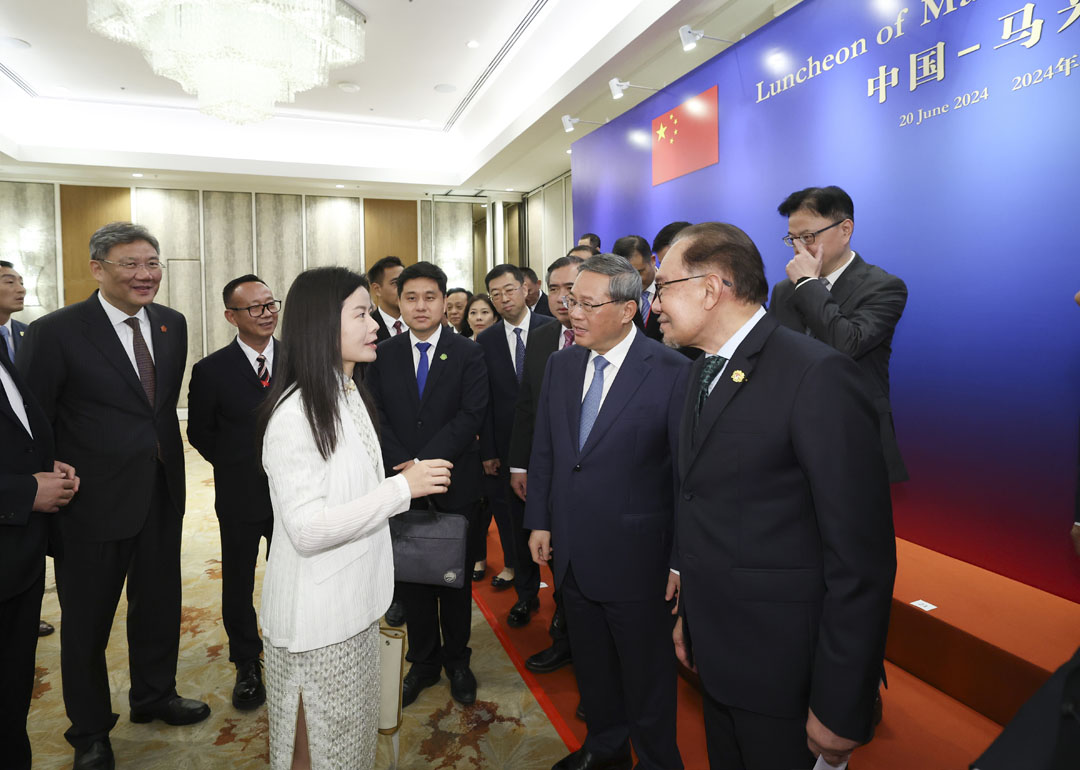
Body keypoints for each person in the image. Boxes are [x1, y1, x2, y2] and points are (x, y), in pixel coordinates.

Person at [653, 222, 896, 770]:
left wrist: (842, 702)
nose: (655, 303)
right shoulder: (696, 375)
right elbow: (701, 507)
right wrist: (690, 617)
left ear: (711, 288)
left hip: (786, 673)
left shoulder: (817, 376)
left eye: (662, 287)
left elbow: (861, 560)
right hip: (717, 657)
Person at [18, 221, 205, 770]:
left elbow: (159, 408)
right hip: (90, 501)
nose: (146, 275)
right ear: (98, 268)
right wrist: (43, 471)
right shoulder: (55, 331)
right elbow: (35, 416)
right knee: (87, 622)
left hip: (159, 491)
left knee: (159, 605)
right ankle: (90, 731)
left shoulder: (172, 324)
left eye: (152, 262)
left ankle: (154, 695)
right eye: (130, 264)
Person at [257, 267, 452, 770]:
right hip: (317, 619)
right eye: (361, 313)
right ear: (323, 324)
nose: (375, 325)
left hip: (356, 606)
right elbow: (307, 529)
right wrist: (399, 490)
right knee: (315, 746)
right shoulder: (296, 415)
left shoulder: (348, 393)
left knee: (349, 744)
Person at [526, 254, 689, 770]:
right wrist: (540, 519)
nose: (572, 312)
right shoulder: (562, 363)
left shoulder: (672, 371)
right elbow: (547, 450)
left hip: (640, 561)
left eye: (587, 304)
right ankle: (604, 748)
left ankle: (659, 760)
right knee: (593, 668)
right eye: (571, 300)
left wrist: (681, 560)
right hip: (572, 551)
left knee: (647, 676)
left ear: (627, 309)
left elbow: (688, 479)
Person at [365, 262, 488, 708]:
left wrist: (427, 463)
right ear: (399, 300)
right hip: (399, 481)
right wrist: (406, 464)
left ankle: (457, 659)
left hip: (453, 479)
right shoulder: (383, 352)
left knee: (454, 578)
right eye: (411, 297)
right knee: (412, 575)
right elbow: (373, 413)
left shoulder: (469, 353)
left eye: (430, 297)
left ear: (444, 301)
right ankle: (423, 661)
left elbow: (471, 415)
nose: (420, 306)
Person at [770, 185, 909, 483]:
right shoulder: (783, 291)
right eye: (792, 239)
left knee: (856, 528)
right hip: (791, 437)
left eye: (808, 237)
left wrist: (808, 284)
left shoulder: (883, 286)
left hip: (852, 435)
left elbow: (847, 343)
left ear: (845, 230)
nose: (798, 248)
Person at [187, 274, 281, 711]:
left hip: (294, 498)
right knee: (239, 583)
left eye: (271, 303)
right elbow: (200, 432)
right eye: (255, 308)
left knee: (293, 576)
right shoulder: (211, 369)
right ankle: (247, 662)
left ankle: (291, 646)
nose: (267, 313)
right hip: (240, 495)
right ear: (231, 316)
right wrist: (238, 464)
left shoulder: (299, 360)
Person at [1, 305, 79, 770]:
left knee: (12, 698)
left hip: (18, 560)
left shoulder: (7, 343)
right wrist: (25, 490)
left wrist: (44, 465)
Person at [508, 251, 585, 675]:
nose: (561, 298)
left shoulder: (609, 340)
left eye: (570, 288)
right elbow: (526, 407)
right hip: (548, 474)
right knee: (555, 560)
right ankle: (565, 636)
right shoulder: (541, 336)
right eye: (554, 289)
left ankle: (582, 644)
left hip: (594, 480)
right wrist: (519, 465)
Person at [476, 264, 554, 627]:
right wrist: (490, 451)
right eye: (495, 293)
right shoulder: (487, 340)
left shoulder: (552, 329)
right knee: (514, 525)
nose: (503, 299)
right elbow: (486, 401)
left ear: (526, 289)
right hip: (509, 450)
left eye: (509, 290)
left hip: (553, 446)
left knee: (555, 523)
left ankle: (564, 602)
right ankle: (526, 596)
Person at [0, 260, 56, 639]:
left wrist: (48, 462)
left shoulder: (23, 336)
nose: (20, 288)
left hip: (20, 544)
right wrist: (26, 491)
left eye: (21, 281)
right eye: (9, 281)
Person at [611, 236, 661, 343]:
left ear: (652, 261)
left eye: (639, 272)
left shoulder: (672, 288)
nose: (634, 280)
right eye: (625, 276)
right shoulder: (616, 296)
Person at [367, 256, 406, 342]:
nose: (404, 289)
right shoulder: (367, 327)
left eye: (405, 282)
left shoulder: (419, 320)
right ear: (377, 289)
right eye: (396, 283)